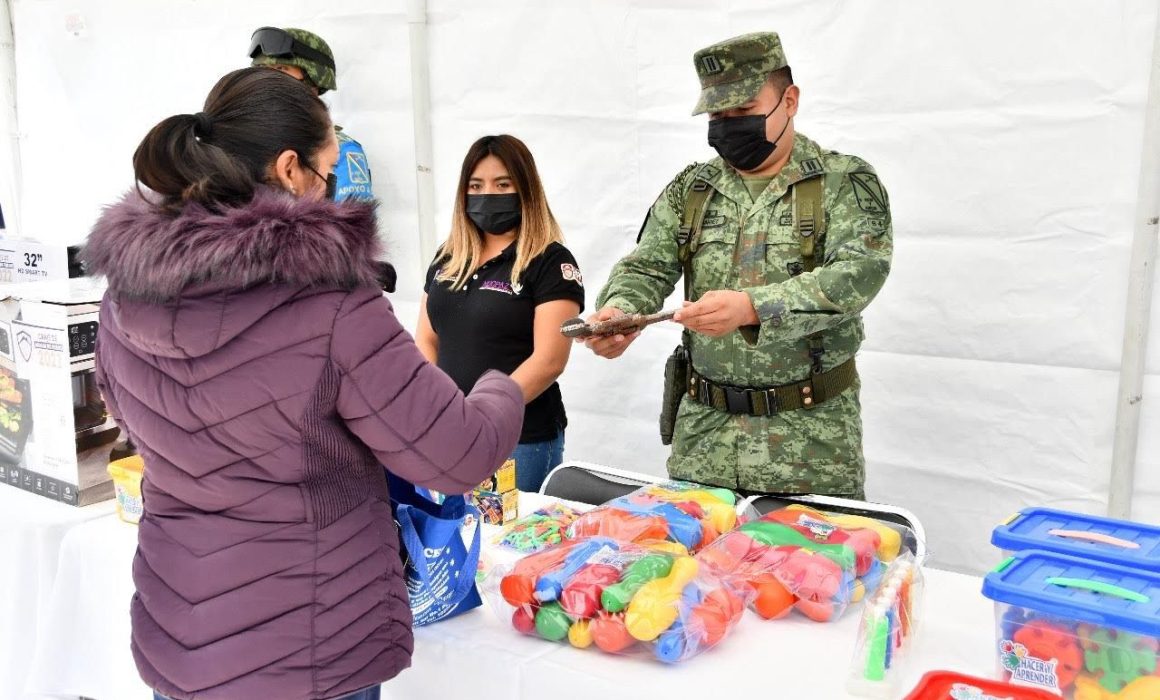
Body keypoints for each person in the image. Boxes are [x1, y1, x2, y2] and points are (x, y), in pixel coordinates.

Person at [82, 68, 523, 700]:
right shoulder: (330, 302)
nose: (334, 187)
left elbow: (132, 420)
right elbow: (458, 454)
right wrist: (500, 385)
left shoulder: (123, 297)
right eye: (329, 169)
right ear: (290, 169)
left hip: (183, 637)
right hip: (309, 648)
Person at [585, 32, 892, 499]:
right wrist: (620, 311)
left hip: (810, 444)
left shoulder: (842, 182)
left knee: (809, 549)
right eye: (718, 116)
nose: (729, 126)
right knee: (694, 547)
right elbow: (646, 266)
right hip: (704, 440)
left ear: (790, 101)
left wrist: (752, 307)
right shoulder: (693, 189)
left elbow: (857, 273)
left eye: (744, 110)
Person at [416, 135, 583, 492]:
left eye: (502, 184)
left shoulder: (550, 262)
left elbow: (550, 360)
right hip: (449, 434)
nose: (488, 194)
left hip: (518, 440)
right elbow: (427, 338)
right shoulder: (448, 257)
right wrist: (440, 409)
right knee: (454, 526)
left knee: (512, 529)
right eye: (476, 185)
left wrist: (484, 415)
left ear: (525, 188)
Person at [249, 26, 374, 204]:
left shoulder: (340, 151)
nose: (267, 78)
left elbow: (351, 219)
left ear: (312, 79)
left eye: (280, 68)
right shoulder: (243, 137)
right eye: (262, 70)